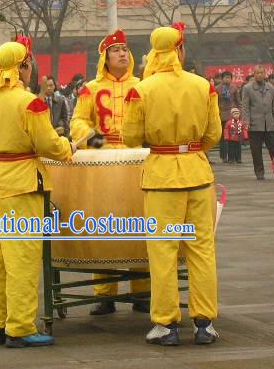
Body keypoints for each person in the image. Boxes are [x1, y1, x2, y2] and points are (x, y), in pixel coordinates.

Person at [122, 23, 221, 346]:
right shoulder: (203, 86)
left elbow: (130, 137)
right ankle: (204, 323)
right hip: (197, 172)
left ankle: (166, 324)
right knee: (202, 250)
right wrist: (190, 149)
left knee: (162, 253)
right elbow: (213, 135)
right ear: (179, 49)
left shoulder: (143, 89)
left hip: (162, 175)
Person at [0, 41, 74, 348]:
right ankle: (19, 326)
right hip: (21, 182)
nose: (31, 71)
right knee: (22, 257)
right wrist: (67, 148)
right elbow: (48, 144)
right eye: (28, 65)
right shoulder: (29, 102)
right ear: (21, 68)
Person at [70, 29, 150, 316]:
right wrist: (95, 139)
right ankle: (104, 293)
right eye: (115, 50)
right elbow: (78, 120)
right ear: (104, 56)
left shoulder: (142, 85)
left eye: (124, 49)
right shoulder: (90, 88)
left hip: (136, 159)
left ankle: (142, 291)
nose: (122, 54)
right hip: (102, 163)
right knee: (104, 225)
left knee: (139, 224)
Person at [242, 65, 274, 180]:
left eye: (261, 73)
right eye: (257, 73)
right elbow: (245, 106)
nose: (259, 75)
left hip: (269, 124)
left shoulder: (271, 87)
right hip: (254, 125)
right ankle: (259, 172)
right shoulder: (247, 88)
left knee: (272, 149)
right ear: (254, 74)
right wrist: (246, 121)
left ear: (265, 74)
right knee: (256, 151)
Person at [215, 71, 240, 162]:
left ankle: (232, 157)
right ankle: (223, 157)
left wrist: (239, 113)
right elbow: (215, 103)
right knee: (223, 137)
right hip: (221, 115)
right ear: (222, 79)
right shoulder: (217, 89)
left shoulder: (234, 88)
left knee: (233, 137)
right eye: (225, 77)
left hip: (232, 115)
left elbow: (238, 101)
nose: (227, 79)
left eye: (229, 77)